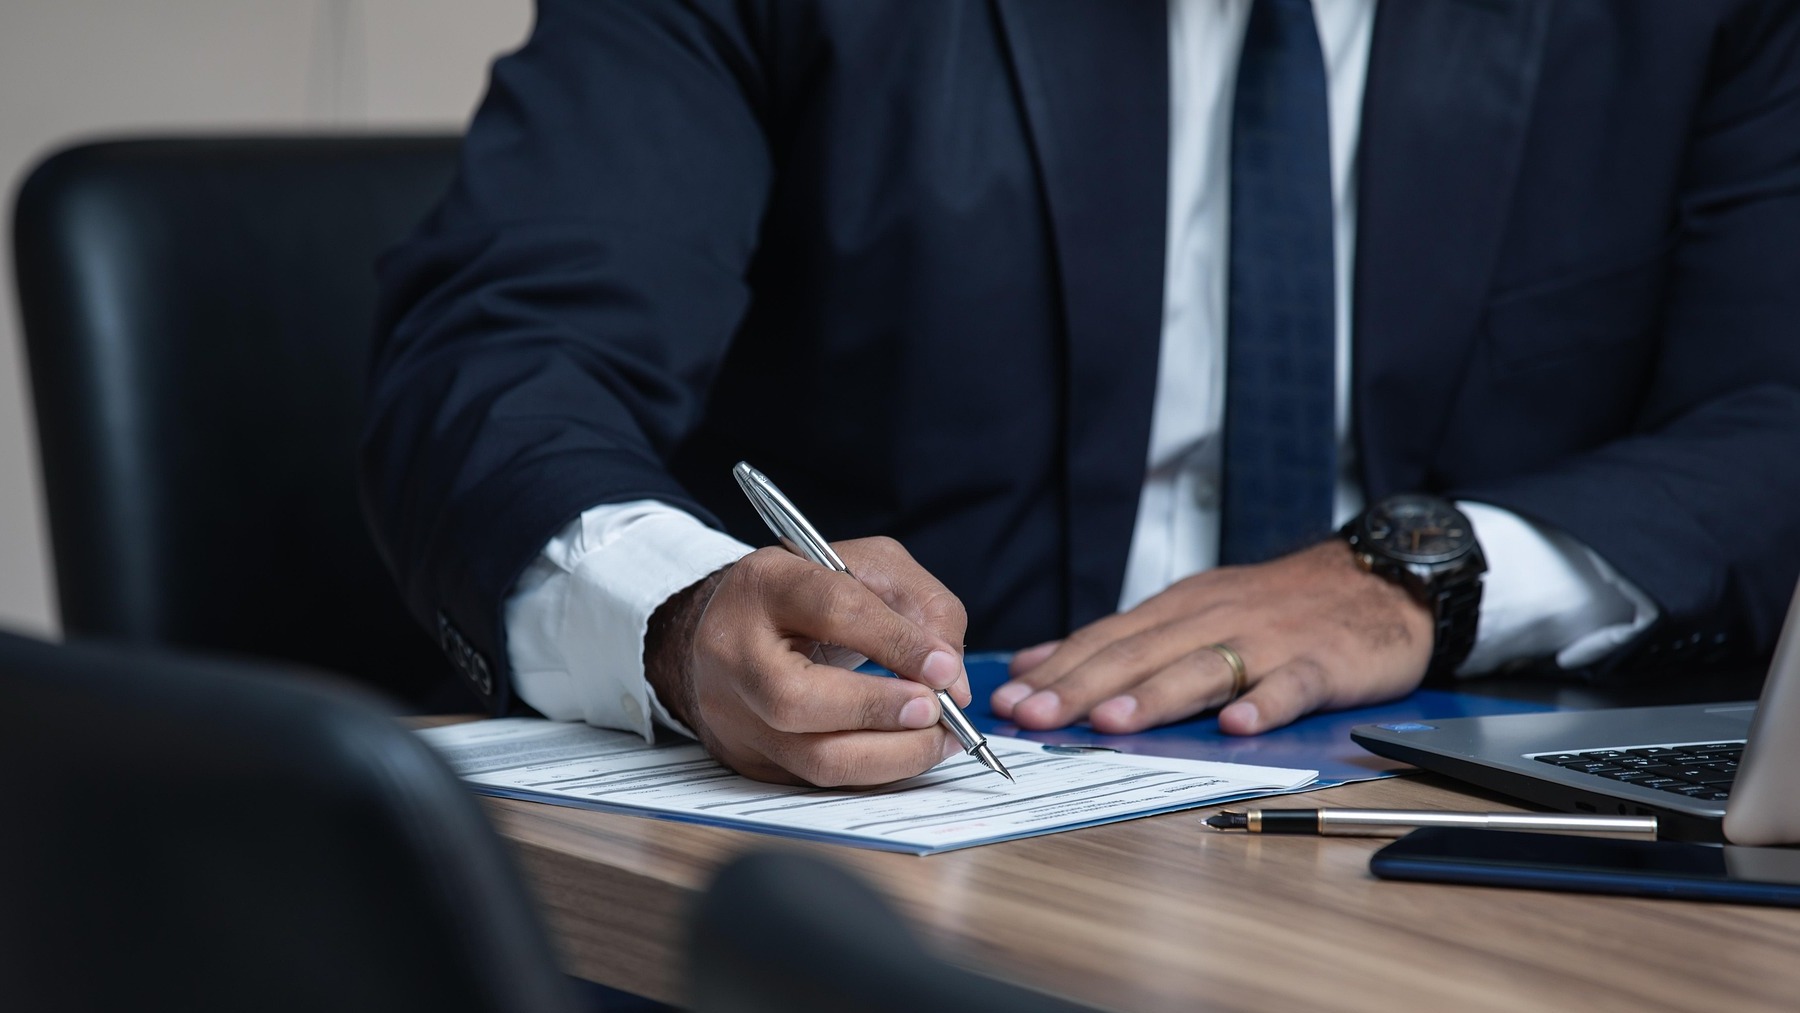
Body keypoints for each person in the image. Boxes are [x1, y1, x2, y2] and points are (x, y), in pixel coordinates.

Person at [362, 0, 1800, 787]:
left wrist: (1424, 574)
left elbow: (1775, 418)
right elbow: (501, 358)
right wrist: (682, 617)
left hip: (1450, 845)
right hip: (900, 846)